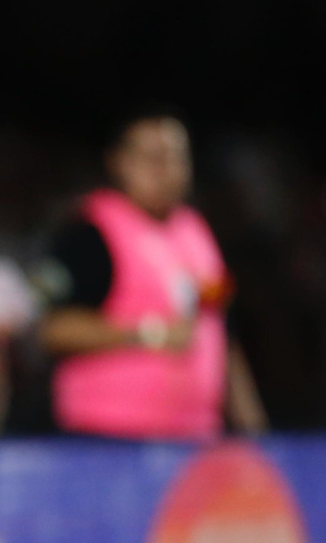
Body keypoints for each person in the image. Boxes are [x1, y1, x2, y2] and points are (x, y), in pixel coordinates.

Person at [39, 109, 268, 439]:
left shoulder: (197, 233)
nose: (165, 170)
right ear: (119, 162)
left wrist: (253, 428)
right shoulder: (89, 233)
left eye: (176, 157)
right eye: (151, 158)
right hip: (107, 438)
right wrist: (150, 334)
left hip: (195, 438)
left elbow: (221, 333)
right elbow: (53, 330)